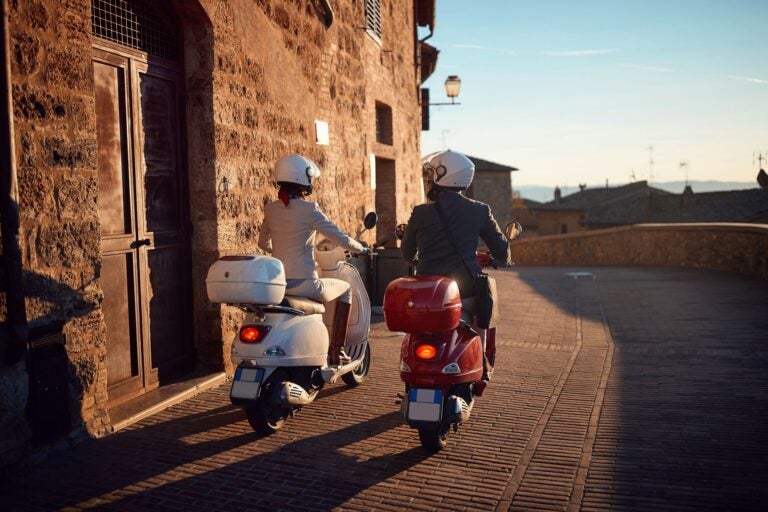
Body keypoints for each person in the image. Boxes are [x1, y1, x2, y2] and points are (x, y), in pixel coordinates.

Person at [400, 150, 511, 377]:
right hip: (464, 290)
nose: (429, 178)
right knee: (482, 313)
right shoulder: (480, 211)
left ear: (443, 175)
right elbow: (501, 248)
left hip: (428, 292)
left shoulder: (420, 213)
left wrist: (416, 261)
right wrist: (503, 260)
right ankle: (481, 366)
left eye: (432, 173)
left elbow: (407, 252)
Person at [258, 154, 366, 365]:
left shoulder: (271, 209)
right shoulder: (309, 210)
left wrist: (280, 250)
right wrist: (361, 247)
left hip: (279, 285)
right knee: (345, 290)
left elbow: (263, 243)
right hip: (306, 285)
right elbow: (339, 237)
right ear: (303, 180)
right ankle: (336, 351)